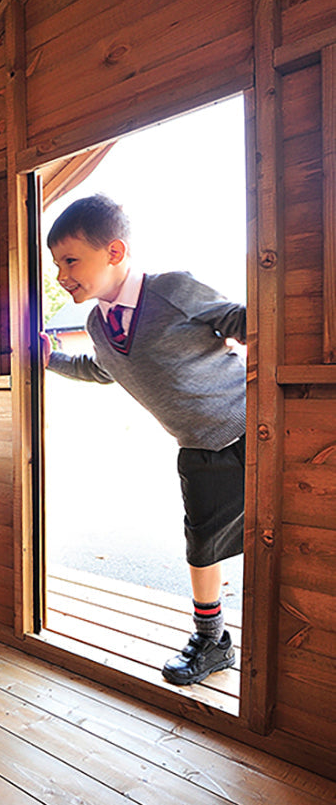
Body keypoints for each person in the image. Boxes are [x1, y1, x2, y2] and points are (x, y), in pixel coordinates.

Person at [41, 194, 246, 685]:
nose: (61, 275)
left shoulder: (172, 288)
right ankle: (213, 640)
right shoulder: (96, 323)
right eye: (56, 264)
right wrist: (49, 359)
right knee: (203, 546)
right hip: (199, 446)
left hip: (254, 427)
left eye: (71, 260)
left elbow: (241, 320)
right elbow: (103, 369)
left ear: (114, 252)